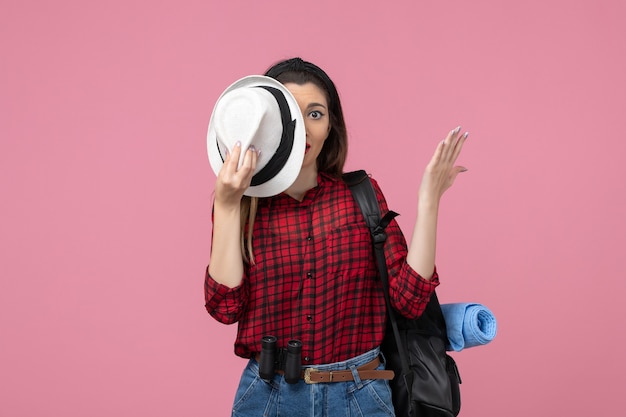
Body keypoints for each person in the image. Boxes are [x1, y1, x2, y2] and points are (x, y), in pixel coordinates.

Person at [204, 57, 468, 417]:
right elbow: (225, 307)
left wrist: (429, 201)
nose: (304, 129)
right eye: (290, 115)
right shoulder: (242, 205)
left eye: (315, 114)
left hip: (361, 394)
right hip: (269, 397)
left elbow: (408, 300)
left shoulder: (362, 196)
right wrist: (228, 204)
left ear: (331, 126)